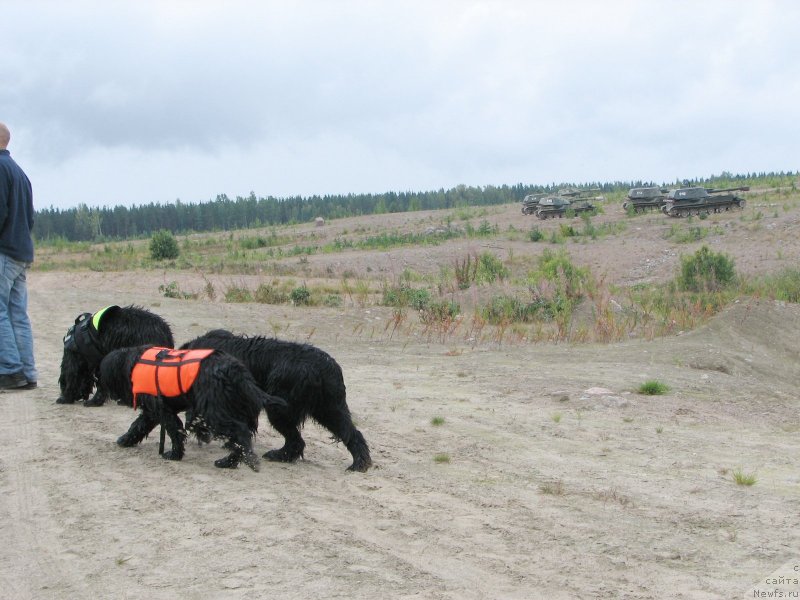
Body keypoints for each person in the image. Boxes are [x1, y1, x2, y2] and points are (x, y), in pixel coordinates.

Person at [0, 122, 37, 390]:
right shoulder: (20, 173)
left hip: (4, 252)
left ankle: (11, 371)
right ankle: (28, 373)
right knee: (17, 314)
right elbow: (30, 217)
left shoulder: (0, 169)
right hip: (21, 252)